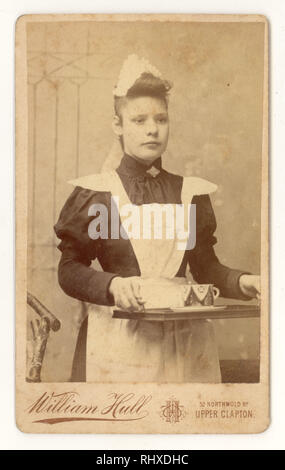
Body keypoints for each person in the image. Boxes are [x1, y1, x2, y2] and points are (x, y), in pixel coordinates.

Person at [54, 54, 260, 383]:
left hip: (186, 342)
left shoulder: (190, 193)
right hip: (120, 339)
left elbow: (205, 267)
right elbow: (69, 270)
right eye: (139, 120)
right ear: (118, 126)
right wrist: (112, 285)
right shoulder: (99, 194)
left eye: (161, 119)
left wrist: (243, 282)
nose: (152, 129)